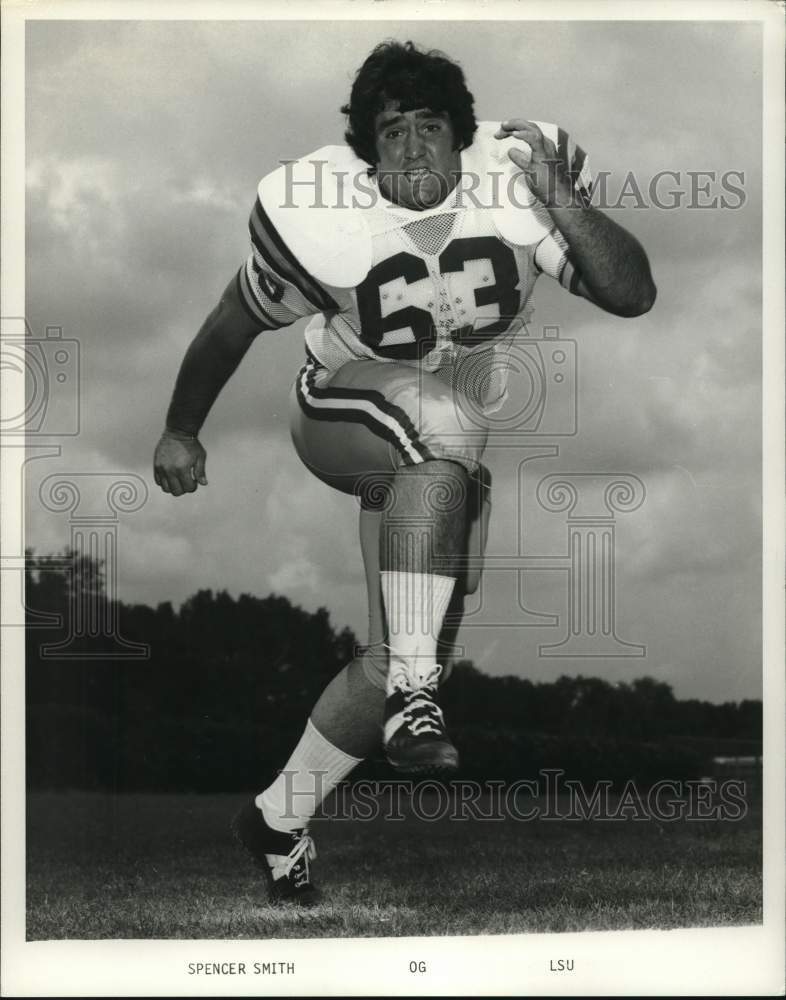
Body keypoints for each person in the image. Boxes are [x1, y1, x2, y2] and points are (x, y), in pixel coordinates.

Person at [153, 40, 655, 904]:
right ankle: (415, 700)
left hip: (442, 445)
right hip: (339, 406)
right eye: (393, 131)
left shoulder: (515, 192)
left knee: (405, 649)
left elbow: (632, 292)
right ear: (365, 147)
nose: (415, 147)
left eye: (431, 127)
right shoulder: (324, 218)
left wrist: (562, 197)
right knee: (444, 429)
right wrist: (180, 430)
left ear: (463, 139)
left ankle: (277, 818)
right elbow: (232, 322)